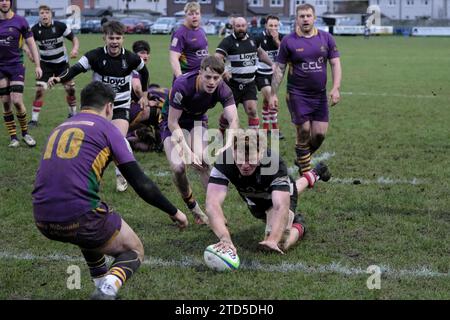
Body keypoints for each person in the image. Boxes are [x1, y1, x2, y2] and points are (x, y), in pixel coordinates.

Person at [32, 81, 188, 300]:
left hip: (41, 216)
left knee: (93, 230)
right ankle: (107, 289)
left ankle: (99, 283)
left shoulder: (60, 126)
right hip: (79, 215)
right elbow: (141, 183)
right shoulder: (109, 130)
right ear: (109, 107)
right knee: (134, 250)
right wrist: (175, 212)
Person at [48, 20, 149, 192]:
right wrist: (59, 78)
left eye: (118, 38)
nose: (114, 42)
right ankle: (81, 175)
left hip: (120, 106)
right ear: (105, 38)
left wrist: (145, 94)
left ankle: (120, 175)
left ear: (123, 39)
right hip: (97, 108)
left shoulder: (131, 58)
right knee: (90, 141)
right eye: (111, 38)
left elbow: (144, 72)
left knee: (118, 138)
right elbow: (76, 69)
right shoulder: (94, 56)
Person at [206, 129, 331, 254]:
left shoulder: (273, 162)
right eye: (240, 159)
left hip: (277, 197)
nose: (244, 165)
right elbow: (212, 203)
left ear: (261, 153)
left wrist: (273, 240)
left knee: (280, 243)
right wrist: (225, 238)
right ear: (233, 152)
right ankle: (314, 174)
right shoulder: (224, 160)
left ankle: (299, 226)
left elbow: (280, 205)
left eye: (250, 160)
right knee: (270, 211)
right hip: (255, 198)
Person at [160, 55, 239, 225]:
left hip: (196, 121)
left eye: (216, 78)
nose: (211, 82)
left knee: (203, 160)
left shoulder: (223, 89)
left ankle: (215, 212)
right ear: (200, 73)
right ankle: (194, 208)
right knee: (179, 167)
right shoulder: (182, 85)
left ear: (221, 76)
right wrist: (187, 152)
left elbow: (233, 120)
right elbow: (173, 123)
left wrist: (228, 144)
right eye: (208, 77)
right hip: (172, 123)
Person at [270, 3, 342, 176]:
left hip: (319, 96)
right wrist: (273, 94)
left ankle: (303, 157)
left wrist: (336, 88)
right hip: (297, 94)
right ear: (297, 19)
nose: (305, 19)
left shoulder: (326, 38)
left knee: (319, 134)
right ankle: (306, 172)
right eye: (301, 16)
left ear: (314, 18)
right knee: (303, 131)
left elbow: (335, 63)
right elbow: (279, 69)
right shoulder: (289, 41)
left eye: (308, 16)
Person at [215, 17, 273, 131]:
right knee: (229, 115)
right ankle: (221, 131)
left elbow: (261, 53)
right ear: (233, 26)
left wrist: (273, 64)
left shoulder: (253, 39)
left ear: (247, 26)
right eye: (238, 26)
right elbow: (217, 58)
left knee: (252, 110)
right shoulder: (227, 41)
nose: (241, 29)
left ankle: (254, 142)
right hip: (232, 85)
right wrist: (224, 70)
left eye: (243, 26)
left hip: (250, 83)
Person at [28, 5, 80, 127]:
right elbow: (27, 43)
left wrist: (75, 49)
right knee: (40, 91)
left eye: (47, 12)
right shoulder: (35, 30)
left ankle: (73, 114)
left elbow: (74, 39)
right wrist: (29, 52)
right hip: (45, 65)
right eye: (42, 13)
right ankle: (34, 120)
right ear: (39, 15)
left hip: (62, 64)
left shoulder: (60, 26)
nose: (44, 15)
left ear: (51, 14)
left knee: (70, 90)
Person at [0, 0, 41, 148]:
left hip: (16, 65)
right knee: (5, 102)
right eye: (1, 0)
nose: (3, 2)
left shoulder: (20, 21)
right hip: (0, 68)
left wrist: (37, 65)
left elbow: (31, 44)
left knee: (16, 100)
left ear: (10, 2)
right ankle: (13, 137)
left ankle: (25, 133)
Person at [254, 15, 284, 139]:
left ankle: (266, 128)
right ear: (266, 25)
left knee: (267, 101)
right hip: (261, 73)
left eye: (276, 26)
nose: (273, 28)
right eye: (270, 25)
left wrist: (277, 40)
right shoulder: (258, 38)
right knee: (273, 99)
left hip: (275, 75)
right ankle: (275, 129)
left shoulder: (282, 38)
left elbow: (286, 53)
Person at [169, 2, 208, 80]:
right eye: (191, 14)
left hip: (201, 78)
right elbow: (173, 58)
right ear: (185, 16)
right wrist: (180, 78)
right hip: (187, 78)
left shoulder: (201, 31)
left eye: (197, 13)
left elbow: (205, 52)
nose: (194, 16)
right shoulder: (180, 33)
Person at [127, 83, 167, 152]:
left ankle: (131, 140)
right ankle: (158, 144)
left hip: (139, 111)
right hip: (155, 111)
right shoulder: (165, 90)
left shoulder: (148, 90)